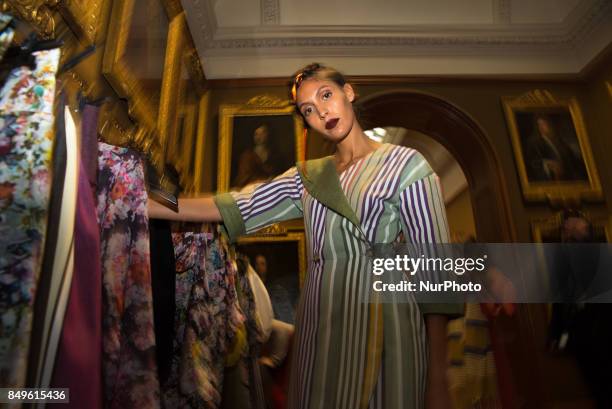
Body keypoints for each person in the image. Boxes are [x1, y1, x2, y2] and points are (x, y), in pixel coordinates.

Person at [148, 63, 462, 408]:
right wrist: (144, 203)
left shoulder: (407, 165)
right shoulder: (308, 177)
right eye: (308, 110)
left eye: (326, 95)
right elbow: (235, 205)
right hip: (320, 324)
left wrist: (439, 379)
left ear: (349, 92)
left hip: (388, 323)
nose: (321, 112)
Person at [523, 114, 587, 182]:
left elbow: (571, 159)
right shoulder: (535, 143)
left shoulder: (559, 142)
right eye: (539, 124)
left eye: (544, 124)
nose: (541, 127)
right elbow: (532, 162)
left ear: (550, 125)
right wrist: (547, 164)